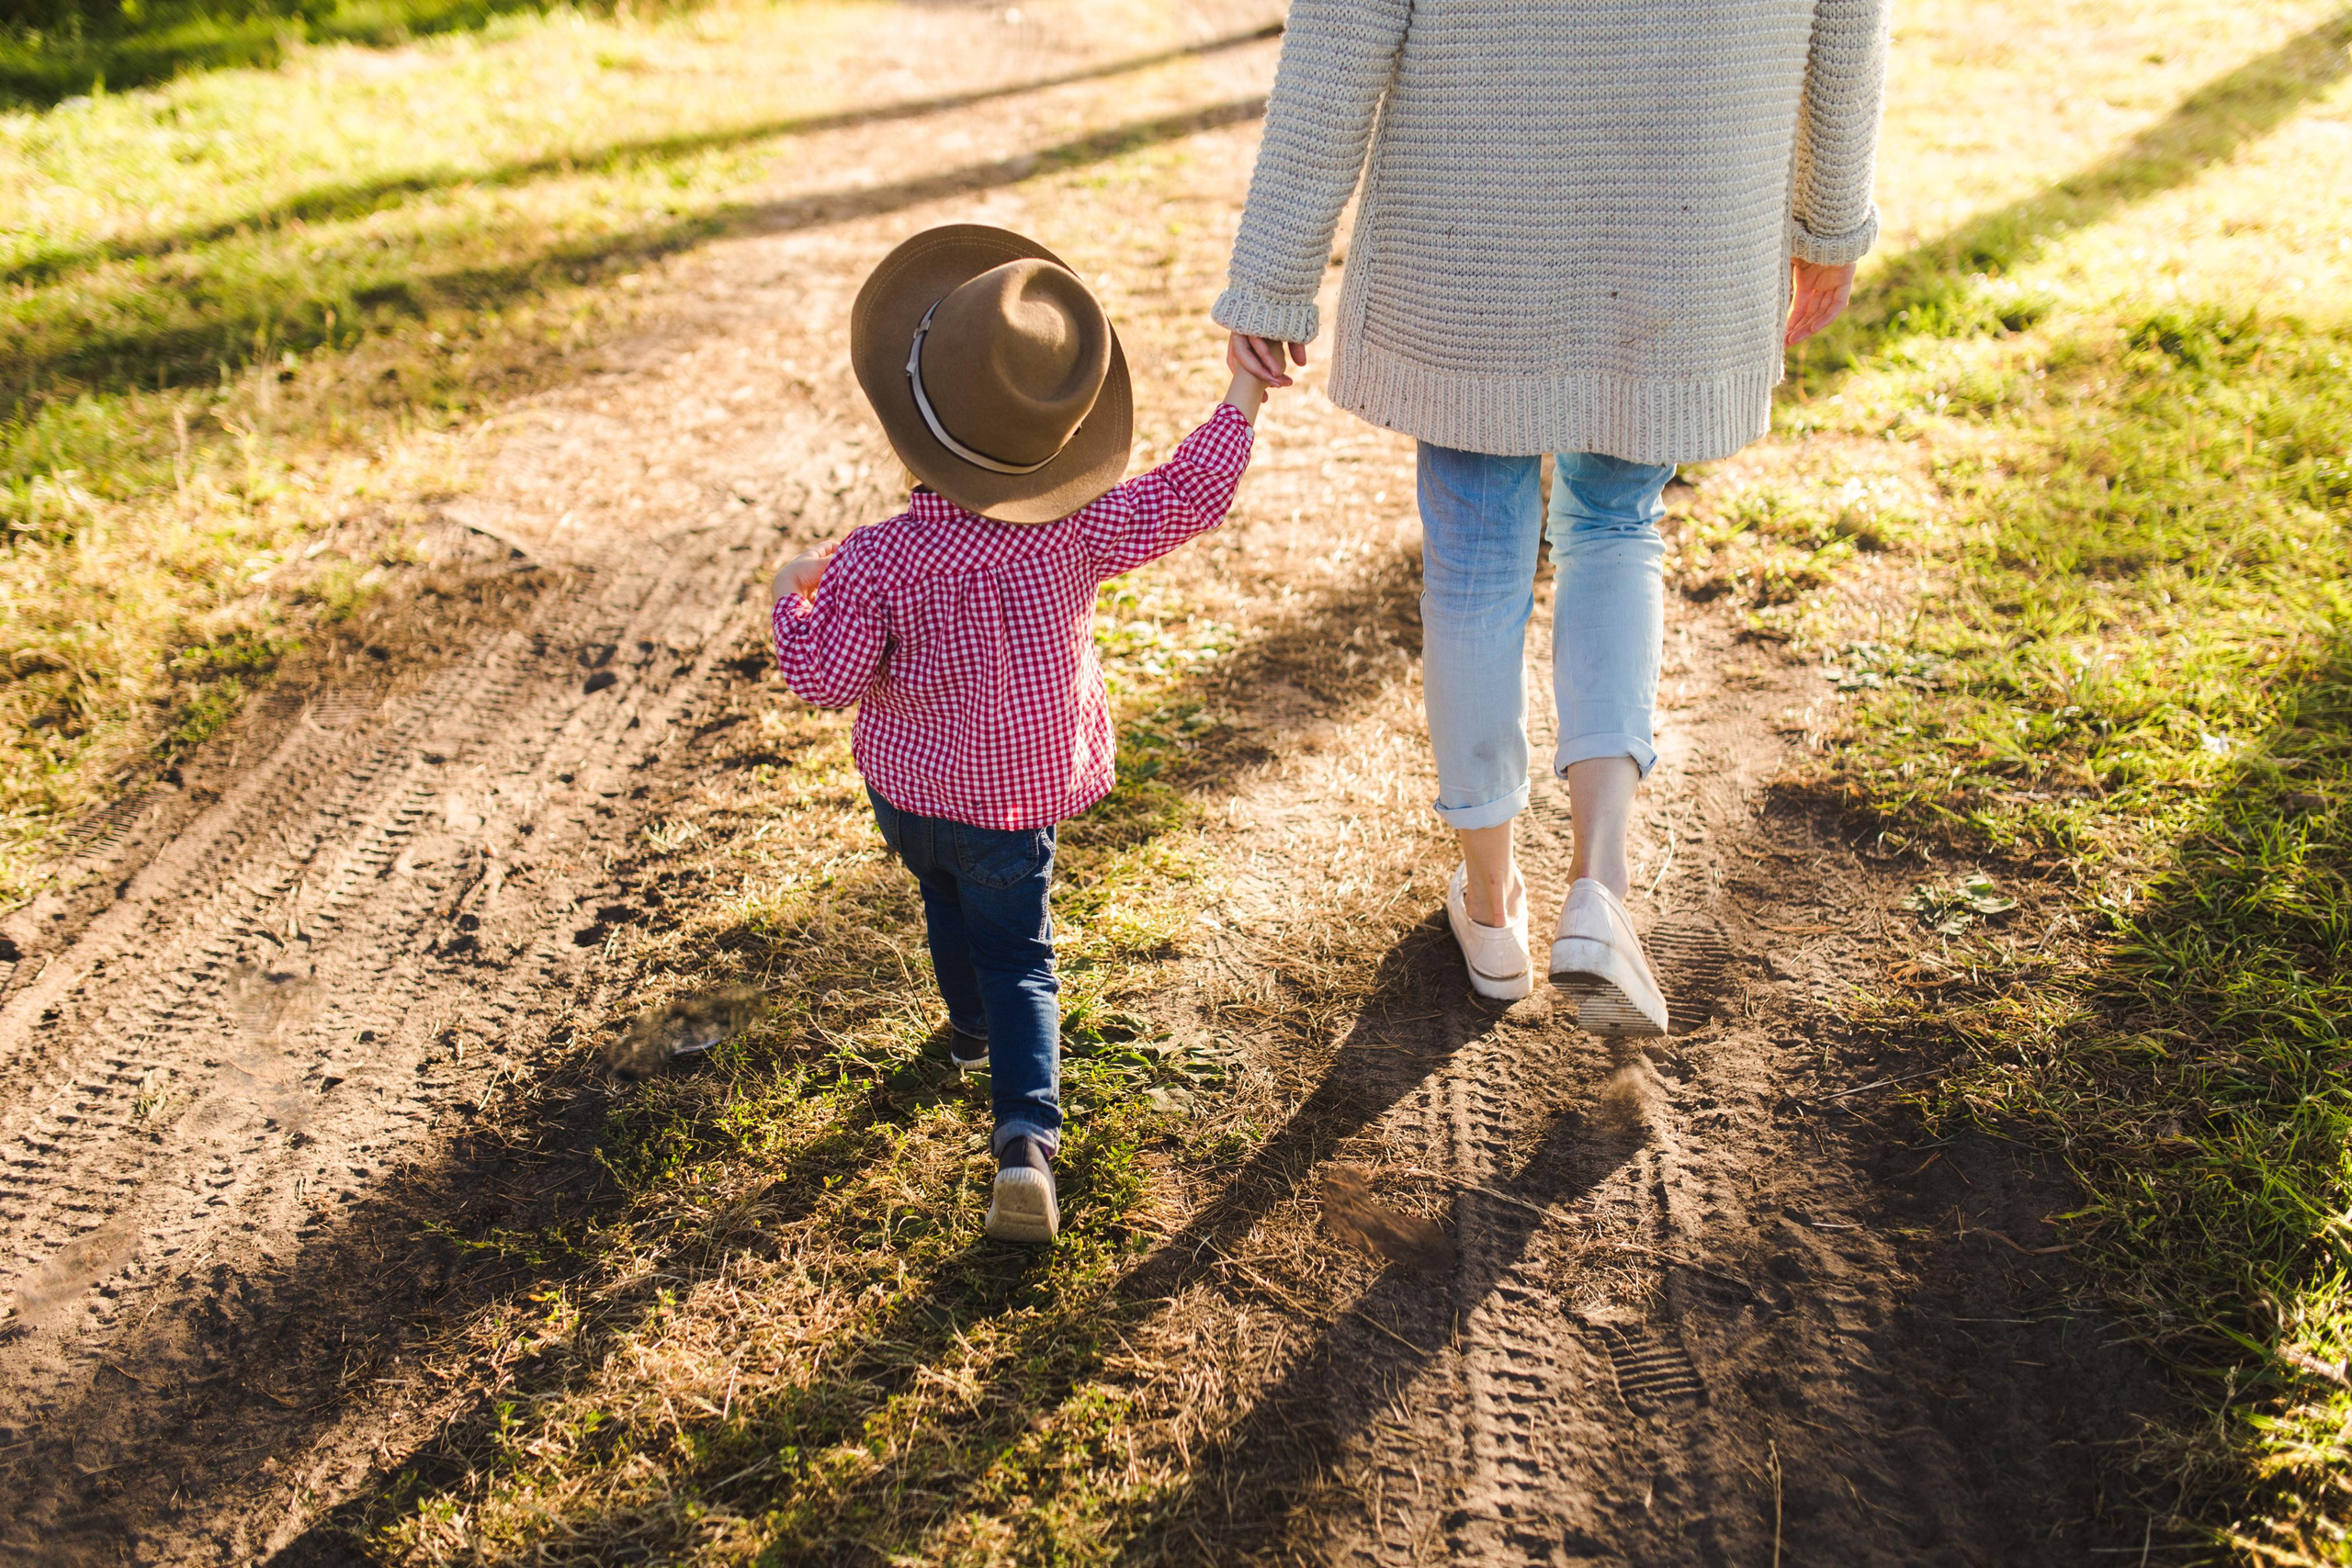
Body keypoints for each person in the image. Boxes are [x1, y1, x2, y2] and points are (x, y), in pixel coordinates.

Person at [1216, 0, 1888, 1032]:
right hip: (1684, 199)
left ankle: (1491, 904)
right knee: (1616, 525)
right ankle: (1599, 891)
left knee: (1476, 558)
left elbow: (1344, 25)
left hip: (1475, 218)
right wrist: (1830, 217)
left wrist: (1274, 275)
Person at [772, 224, 1267, 1243]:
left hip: (909, 798)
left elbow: (824, 681)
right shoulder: (1075, 532)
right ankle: (1024, 1145)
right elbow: (1188, 494)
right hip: (1016, 804)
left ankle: (965, 1034)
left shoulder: (874, 561)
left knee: (940, 902)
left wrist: (792, 598)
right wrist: (1243, 395)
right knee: (1021, 955)